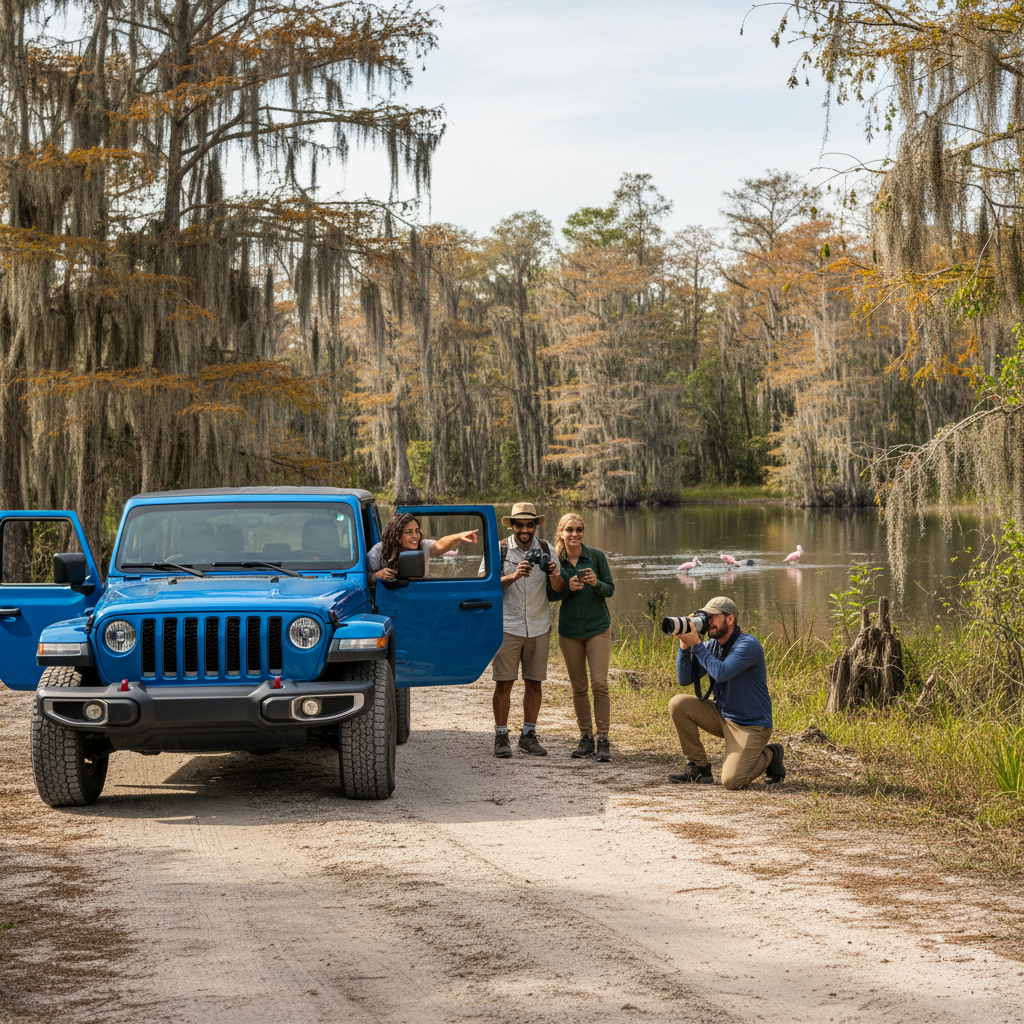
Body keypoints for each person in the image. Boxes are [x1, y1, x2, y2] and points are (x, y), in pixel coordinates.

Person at [668, 596, 786, 788]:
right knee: (678, 704)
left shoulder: (748, 645)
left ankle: (770, 754)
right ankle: (699, 767)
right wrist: (684, 644)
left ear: (730, 620)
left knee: (732, 781)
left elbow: (721, 673)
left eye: (712, 617)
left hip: (750, 726)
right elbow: (684, 680)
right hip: (722, 716)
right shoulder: (712, 646)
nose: (708, 622)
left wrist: (696, 645)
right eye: (705, 617)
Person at [487, 502, 565, 758]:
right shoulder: (498, 549)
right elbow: (484, 587)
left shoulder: (546, 548)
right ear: (512, 525)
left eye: (529, 524)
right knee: (504, 683)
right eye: (519, 524)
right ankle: (501, 736)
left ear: (535, 526)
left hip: (539, 625)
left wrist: (554, 573)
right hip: (507, 625)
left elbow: (559, 588)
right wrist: (513, 576)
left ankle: (528, 736)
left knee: (535, 683)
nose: (524, 529)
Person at [554, 513, 615, 762]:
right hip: (569, 633)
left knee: (599, 684)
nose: (575, 534)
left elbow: (610, 589)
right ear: (561, 533)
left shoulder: (596, 556)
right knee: (579, 687)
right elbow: (550, 594)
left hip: (597, 629)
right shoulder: (555, 561)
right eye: (570, 530)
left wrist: (596, 583)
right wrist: (568, 587)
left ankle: (603, 739)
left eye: (579, 529)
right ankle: (586, 737)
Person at [369, 512, 477, 580]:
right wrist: (376, 576)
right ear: (397, 536)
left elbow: (440, 545)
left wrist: (459, 536)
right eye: (409, 532)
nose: (415, 536)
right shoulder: (379, 550)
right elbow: (362, 580)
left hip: (419, 596)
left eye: (417, 531)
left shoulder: (423, 546)